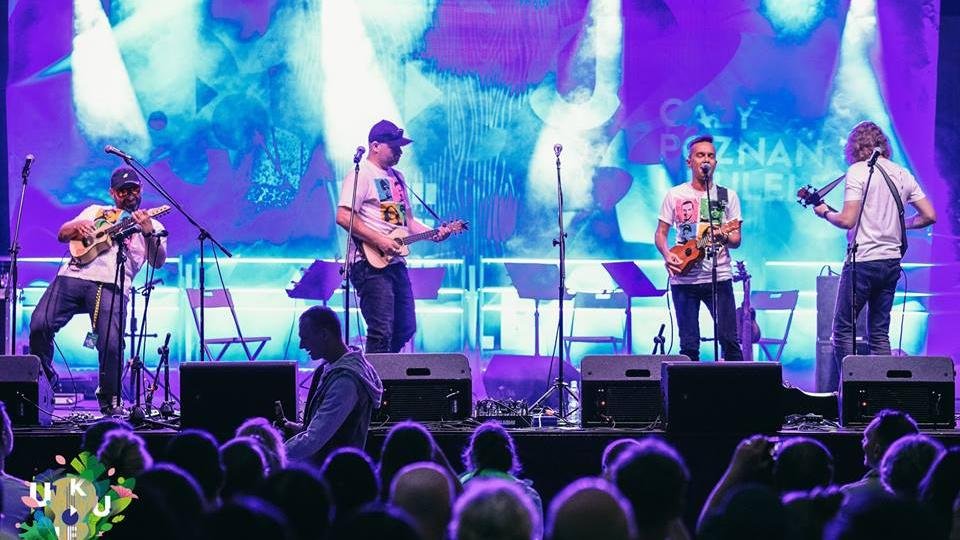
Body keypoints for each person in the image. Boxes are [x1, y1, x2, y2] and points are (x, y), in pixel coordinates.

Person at [29, 167, 167, 414]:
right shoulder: (95, 211)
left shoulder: (153, 223)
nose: (129, 195)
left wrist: (147, 231)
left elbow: (157, 262)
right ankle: (45, 382)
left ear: (141, 190)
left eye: (133, 189)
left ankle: (109, 400)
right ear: (113, 193)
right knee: (39, 324)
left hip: (111, 285)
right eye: (123, 191)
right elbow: (63, 234)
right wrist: (77, 228)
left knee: (111, 345)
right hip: (72, 276)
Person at [812, 122, 936, 390]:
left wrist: (824, 213)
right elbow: (930, 215)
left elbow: (847, 220)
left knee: (843, 330)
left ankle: (850, 391)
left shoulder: (858, 171)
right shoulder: (902, 174)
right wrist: (904, 225)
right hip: (891, 264)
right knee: (880, 333)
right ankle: (883, 396)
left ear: (854, 147)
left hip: (863, 262)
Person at [336, 119, 451, 353]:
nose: (400, 151)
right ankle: (374, 385)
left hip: (394, 261)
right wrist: (378, 240)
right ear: (375, 145)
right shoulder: (362, 174)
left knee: (405, 326)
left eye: (400, 147)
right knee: (381, 330)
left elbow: (404, 223)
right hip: (368, 264)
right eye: (394, 146)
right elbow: (344, 216)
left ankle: (387, 374)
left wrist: (433, 234)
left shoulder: (396, 178)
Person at [655, 135, 743, 361]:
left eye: (711, 156)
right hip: (684, 279)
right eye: (700, 155)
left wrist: (723, 236)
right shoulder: (675, 195)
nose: (706, 160)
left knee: (730, 341)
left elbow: (736, 239)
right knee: (689, 345)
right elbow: (661, 234)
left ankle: (739, 393)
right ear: (689, 162)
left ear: (715, 162)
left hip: (719, 277)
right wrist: (667, 255)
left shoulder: (727, 196)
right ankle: (688, 396)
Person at [281, 306, 383, 463]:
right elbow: (331, 429)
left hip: (335, 476)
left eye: (305, 338)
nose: (301, 345)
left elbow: (314, 440)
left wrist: (274, 452)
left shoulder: (345, 382)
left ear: (323, 335)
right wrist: (300, 428)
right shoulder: (335, 368)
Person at [841, 409, 918, 499]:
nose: (862, 443)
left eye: (866, 439)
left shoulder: (849, 494)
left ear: (877, 450)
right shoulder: (928, 492)